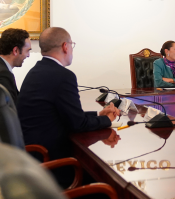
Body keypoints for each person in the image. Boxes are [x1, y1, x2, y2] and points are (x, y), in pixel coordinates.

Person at [17, 27, 120, 187]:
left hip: (33, 159)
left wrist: (98, 114)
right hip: (52, 165)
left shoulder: (35, 71)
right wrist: (106, 120)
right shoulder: (63, 76)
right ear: (66, 46)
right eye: (72, 45)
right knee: (107, 184)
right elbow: (77, 124)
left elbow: (67, 115)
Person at [0, 28, 31, 103]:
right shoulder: (2, 74)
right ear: (16, 50)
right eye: (27, 50)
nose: (28, 55)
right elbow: (9, 109)